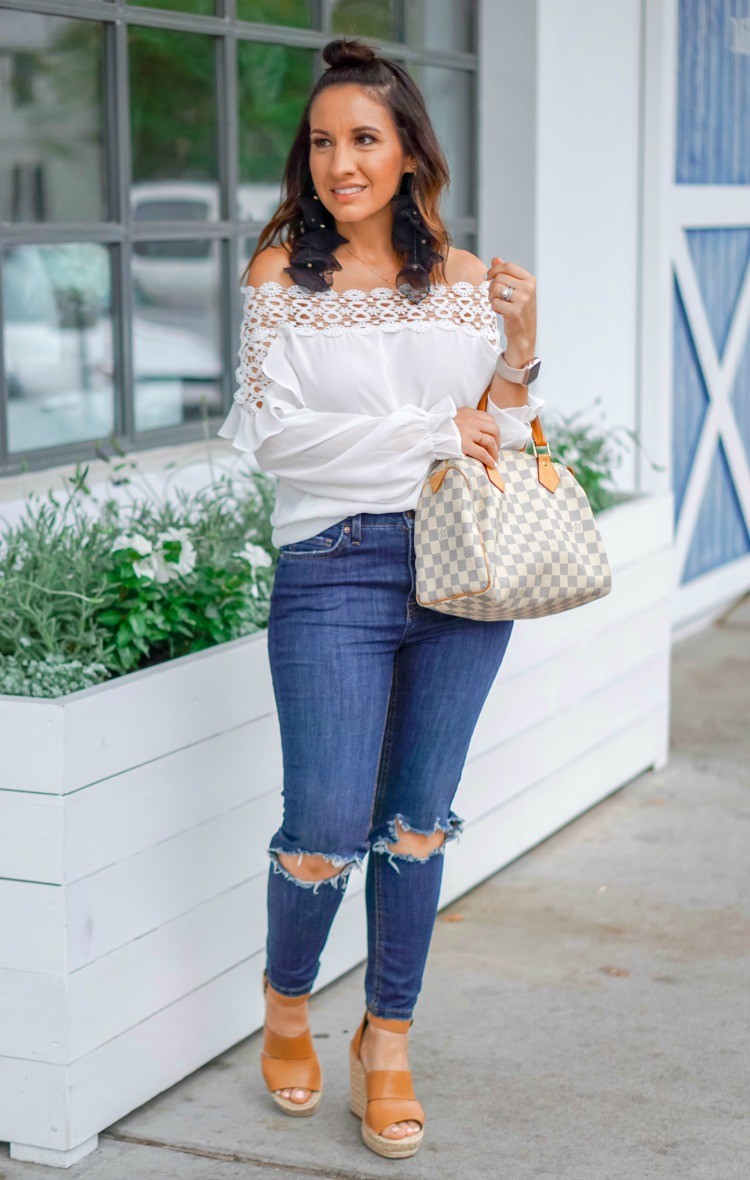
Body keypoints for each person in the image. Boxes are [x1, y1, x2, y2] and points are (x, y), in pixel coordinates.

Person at [217, 36, 543, 1162]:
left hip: (464, 573)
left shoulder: (465, 281)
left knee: (415, 825)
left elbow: (501, 439)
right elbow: (280, 444)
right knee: (324, 829)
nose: (340, 162)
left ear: (410, 154)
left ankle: (387, 1044)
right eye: (321, 142)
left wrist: (520, 355)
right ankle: (289, 1003)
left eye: (364, 139)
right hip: (334, 568)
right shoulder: (278, 278)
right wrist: (427, 435)